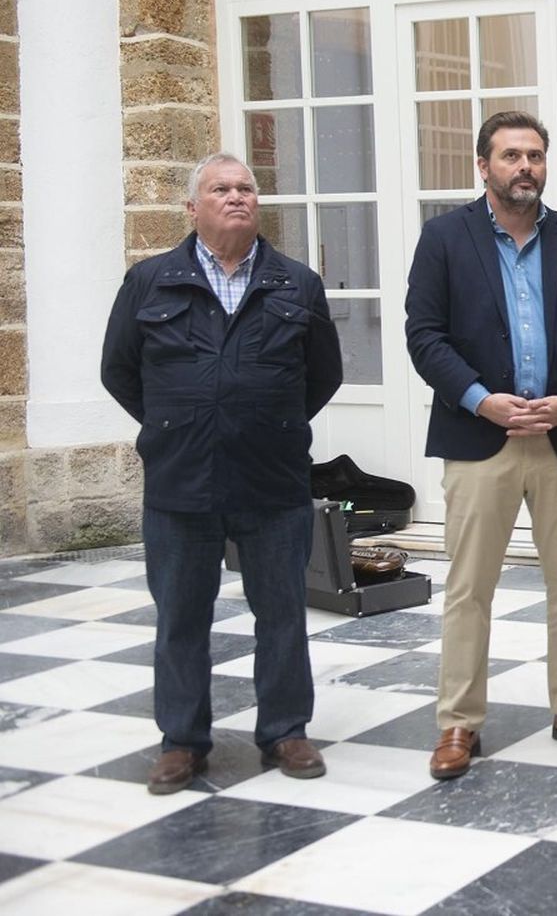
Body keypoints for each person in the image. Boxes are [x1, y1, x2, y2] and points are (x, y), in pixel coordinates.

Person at [101, 152, 342, 794]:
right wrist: (174, 423)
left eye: (245, 188)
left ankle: (286, 731)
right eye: (220, 189)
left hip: (273, 477)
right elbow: (118, 370)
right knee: (181, 614)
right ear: (192, 207)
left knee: (283, 612)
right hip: (181, 482)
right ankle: (182, 741)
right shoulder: (150, 281)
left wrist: (270, 422)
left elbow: (324, 375)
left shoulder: (297, 283)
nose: (236, 197)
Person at [405, 111, 557, 779]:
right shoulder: (444, 238)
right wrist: (481, 399)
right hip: (480, 440)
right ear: (484, 166)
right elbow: (425, 336)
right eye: (510, 156)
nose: (524, 166)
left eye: (534, 155)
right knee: (469, 588)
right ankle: (459, 723)